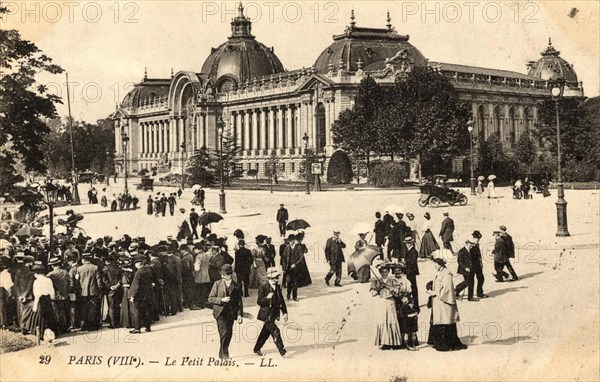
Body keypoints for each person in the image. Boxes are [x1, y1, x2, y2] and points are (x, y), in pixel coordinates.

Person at [426, 258, 467, 351]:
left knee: (445, 321)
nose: (435, 266)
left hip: (444, 302)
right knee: (441, 321)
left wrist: (435, 293)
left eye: (436, 264)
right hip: (439, 302)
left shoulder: (446, 274)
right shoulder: (440, 272)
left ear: (440, 264)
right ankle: (439, 343)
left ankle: (446, 345)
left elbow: (447, 289)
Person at [208, 264, 243, 360]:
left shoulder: (236, 285)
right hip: (220, 313)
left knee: (229, 334)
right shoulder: (217, 284)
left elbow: (239, 301)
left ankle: (221, 353)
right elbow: (210, 298)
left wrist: (239, 314)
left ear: (230, 275)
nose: (222, 277)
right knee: (224, 333)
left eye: (225, 275)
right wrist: (221, 299)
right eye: (221, 275)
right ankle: (225, 355)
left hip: (231, 313)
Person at [254, 267, 288, 357]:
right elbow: (259, 301)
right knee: (275, 331)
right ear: (270, 278)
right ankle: (282, 351)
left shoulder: (277, 287)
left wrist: (284, 312)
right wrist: (267, 298)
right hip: (266, 315)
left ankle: (257, 348)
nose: (277, 279)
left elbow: (281, 300)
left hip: (273, 314)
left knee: (265, 333)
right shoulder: (263, 287)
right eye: (275, 277)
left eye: (277, 277)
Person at [370, 263, 402, 350]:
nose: (384, 273)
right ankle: (384, 342)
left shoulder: (393, 281)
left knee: (391, 320)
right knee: (383, 321)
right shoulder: (376, 281)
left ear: (388, 272)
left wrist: (387, 286)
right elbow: (373, 293)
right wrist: (379, 288)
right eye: (382, 272)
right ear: (380, 273)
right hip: (381, 303)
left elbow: (397, 291)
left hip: (390, 302)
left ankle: (392, 343)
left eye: (386, 272)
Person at [77, 253, 103, 331]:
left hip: (83, 292)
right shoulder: (95, 268)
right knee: (92, 309)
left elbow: (77, 281)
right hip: (93, 291)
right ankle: (92, 326)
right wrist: (100, 290)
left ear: (83, 260)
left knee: (84, 308)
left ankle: (84, 325)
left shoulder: (79, 269)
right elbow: (99, 281)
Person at [129, 255, 154, 334]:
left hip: (138, 295)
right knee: (145, 311)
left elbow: (136, 285)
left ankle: (137, 328)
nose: (135, 264)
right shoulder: (148, 269)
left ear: (139, 263)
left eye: (136, 263)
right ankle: (148, 326)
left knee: (136, 311)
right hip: (147, 293)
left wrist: (132, 296)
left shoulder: (138, 272)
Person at [46, 257, 70, 333]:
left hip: (54, 296)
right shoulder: (65, 272)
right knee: (63, 312)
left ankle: (57, 328)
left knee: (55, 312)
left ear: (52, 266)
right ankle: (64, 328)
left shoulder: (50, 274)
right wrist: (66, 290)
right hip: (64, 295)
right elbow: (71, 283)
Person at [192, 244, 212, 309]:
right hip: (206, 273)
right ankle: (203, 303)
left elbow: (197, 268)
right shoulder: (206, 255)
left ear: (197, 249)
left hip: (199, 275)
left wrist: (194, 271)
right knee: (204, 290)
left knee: (199, 290)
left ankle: (200, 304)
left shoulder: (198, 256)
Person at [470, 230, 488, 299]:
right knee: (469, 281)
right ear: (474, 238)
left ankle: (480, 293)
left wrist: (481, 263)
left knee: (481, 278)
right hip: (472, 265)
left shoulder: (477, 244)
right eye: (477, 239)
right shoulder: (471, 245)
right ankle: (458, 289)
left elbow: (478, 255)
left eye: (478, 239)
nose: (478, 240)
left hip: (478, 265)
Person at [404, 237, 420, 310]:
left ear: (411, 244)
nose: (407, 245)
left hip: (411, 271)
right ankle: (411, 302)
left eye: (409, 244)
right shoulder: (409, 251)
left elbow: (412, 262)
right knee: (410, 287)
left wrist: (405, 263)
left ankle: (416, 304)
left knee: (413, 287)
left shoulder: (413, 251)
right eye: (406, 244)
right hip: (409, 271)